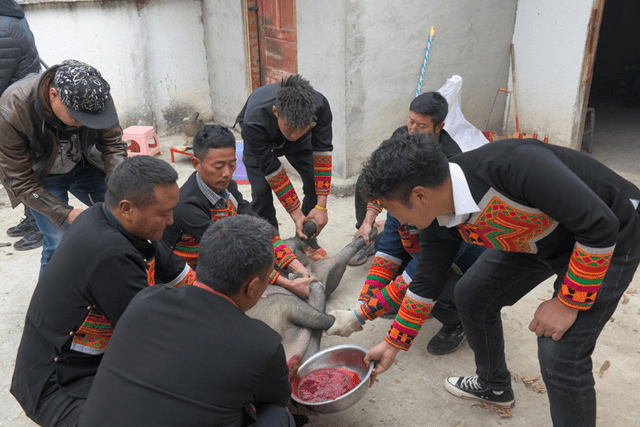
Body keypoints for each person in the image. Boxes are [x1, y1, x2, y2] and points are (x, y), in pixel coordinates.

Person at [358, 132, 640, 427]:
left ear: (419, 195)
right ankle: (493, 386)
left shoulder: (515, 164)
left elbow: (599, 224)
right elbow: (426, 280)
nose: (395, 219)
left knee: (560, 354)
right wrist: (392, 344)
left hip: (610, 232)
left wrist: (568, 302)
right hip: (535, 237)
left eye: (391, 209)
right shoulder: (437, 217)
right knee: (471, 296)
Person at [10, 156, 196, 427]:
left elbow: (175, 269)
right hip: (57, 382)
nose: (170, 220)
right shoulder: (110, 255)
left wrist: (213, 300)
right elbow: (154, 335)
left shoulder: (108, 217)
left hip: (88, 363)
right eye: (163, 213)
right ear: (127, 208)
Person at [79, 215, 295, 427]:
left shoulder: (146, 300)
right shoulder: (262, 343)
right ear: (253, 286)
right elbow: (277, 399)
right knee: (279, 416)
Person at [328, 92, 485, 355]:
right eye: (410, 122)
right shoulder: (405, 165)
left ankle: (459, 322)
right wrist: (368, 299)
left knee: (433, 288)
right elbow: (390, 243)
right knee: (397, 262)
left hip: (464, 258)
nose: (413, 129)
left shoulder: (448, 201)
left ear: (420, 194)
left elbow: (422, 272)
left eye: (421, 125)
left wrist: (361, 314)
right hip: (424, 239)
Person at [0, 59, 127, 274]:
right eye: (77, 118)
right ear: (53, 95)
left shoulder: (95, 93)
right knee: (58, 244)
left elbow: (113, 144)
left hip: (89, 163)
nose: (84, 124)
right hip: (42, 175)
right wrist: (65, 214)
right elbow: (20, 181)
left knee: (125, 219)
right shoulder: (12, 111)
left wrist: (119, 186)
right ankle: (48, 306)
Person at [162, 124, 316, 298]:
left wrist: (296, 266)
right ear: (196, 163)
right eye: (218, 166)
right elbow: (225, 251)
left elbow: (256, 224)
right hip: (199, 268)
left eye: (232, 164)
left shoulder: (229, 188)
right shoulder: (187, 206)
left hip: (226, 246)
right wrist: (286, 283)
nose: (227, 173)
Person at [235, 74, 332, 260]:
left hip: (297, 133)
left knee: (314, 179)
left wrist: (321, 207)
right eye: (289, 128)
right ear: (275, 111)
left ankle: (306, 238)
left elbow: (322, 153)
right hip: (260, 140)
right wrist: (296, 214)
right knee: (262, 191)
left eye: (301, 128)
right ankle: (273, 247)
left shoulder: (320, 106)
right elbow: (272, 170)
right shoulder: (253, 121)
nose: (294, 135)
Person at [0, 0, 43, 251]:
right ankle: (32, 218)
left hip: (16, 111)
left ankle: (40, 223)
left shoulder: (4, 29)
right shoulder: (9, 15)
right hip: (16, 106)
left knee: (23, 170)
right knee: (19, 168)